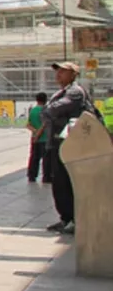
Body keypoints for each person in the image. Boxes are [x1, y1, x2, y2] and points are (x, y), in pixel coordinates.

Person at [43, 62, 94, 236]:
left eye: (63, 71)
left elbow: (54, 109)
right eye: (58, 71)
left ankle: (75, 219)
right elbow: (49, 111)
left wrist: (49, 110)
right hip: (58, 142)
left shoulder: (75, 92)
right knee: (59, 182)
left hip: (70, 143)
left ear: (73, 74)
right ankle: (66, 218)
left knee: (69, 182)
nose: (58, 74)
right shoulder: (61, 92)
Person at [27, 92, 52, 184]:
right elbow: (44, 124)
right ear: (45, 100)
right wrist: (38, 134)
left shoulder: (32, 110)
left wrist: (34, 132)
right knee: (46, 159)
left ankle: (31, 176)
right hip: (44, 138)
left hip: (34, 139)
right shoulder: (45, 111)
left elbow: (28, 124)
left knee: (34, 158)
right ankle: (46, 177)